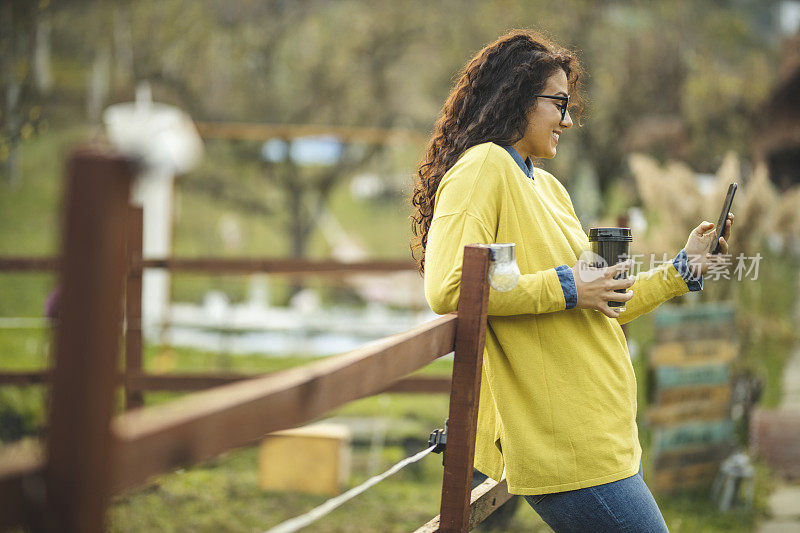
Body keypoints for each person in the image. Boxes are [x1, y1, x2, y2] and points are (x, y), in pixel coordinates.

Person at [410, 30, 733, 533]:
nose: (567, 119)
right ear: (517, 97)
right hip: (568, 446)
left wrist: (683, 268)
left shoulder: (549, 187)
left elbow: (607, 300)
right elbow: (448, 286)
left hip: (607, 436)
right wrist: (566, 287)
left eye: (569, 105)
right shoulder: (482, 169)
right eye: (557, 103)